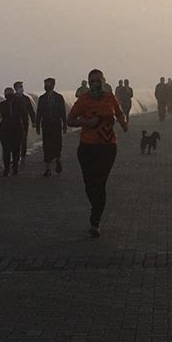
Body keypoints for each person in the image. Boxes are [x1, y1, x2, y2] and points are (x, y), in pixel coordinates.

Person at [67, 69, 128, 238]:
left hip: (108, 147)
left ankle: (95, 221)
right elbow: (69, 120)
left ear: (103, 81)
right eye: (92, 80)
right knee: (89, 183)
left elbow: (119, 112)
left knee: (100, 183)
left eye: (98, 80)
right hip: (87, 147)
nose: (95, 83)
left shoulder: (110, 97)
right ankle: (95, 207)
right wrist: (86, 122)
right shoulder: (83, 100)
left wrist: (124, 123)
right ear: (88, 82)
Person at [0, 87, 28, 177]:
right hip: (8, 130)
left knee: (12, 150)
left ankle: (11, 168)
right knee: (9, 150)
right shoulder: (11, 104)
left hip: (14, 129)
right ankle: (10, 168)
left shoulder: (14, 104)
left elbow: (24, 116)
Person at [36, 78, 67, 177]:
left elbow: (63, 112)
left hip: (56, 124)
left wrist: (65, 124)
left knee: (57, 143)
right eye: (45, 84)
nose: (46, 86)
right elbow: (39, 113)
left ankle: (58, 159)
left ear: (53, 85)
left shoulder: (59, 97)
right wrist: (37, 125)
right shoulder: (42, 98)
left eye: (48, 84)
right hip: (46, 124)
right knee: (47, 145)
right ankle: (48, 168)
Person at [13, 80, 36, 163]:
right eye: (19, 87)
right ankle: (16, 155)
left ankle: (22, 156)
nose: (21, 89)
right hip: (15, 123)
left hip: (24, 122)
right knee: (15, 140)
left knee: (23, 139)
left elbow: (31, 110)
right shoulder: (13, 98)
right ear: (15, 88)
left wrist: (34, 121)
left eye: (21, 87)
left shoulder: (26, 99)